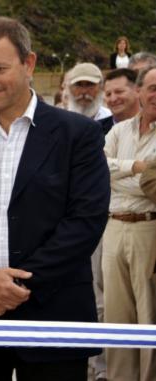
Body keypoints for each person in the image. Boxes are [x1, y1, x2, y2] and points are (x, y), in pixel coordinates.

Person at [0, 17, 109, 380]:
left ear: (29, 64)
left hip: (55, 313)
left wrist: (17, 285)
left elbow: (86, 221)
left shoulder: (78, 135)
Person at [103, 65, 156, 381]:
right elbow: (97, 167)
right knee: (116, 317)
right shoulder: (119, 131)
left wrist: (117, 176)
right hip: (112, 228)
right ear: (139, 91)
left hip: (149, 228)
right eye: (151, 87)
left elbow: (152, 187)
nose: (154, 95)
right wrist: (135, 167)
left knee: (148, 315)